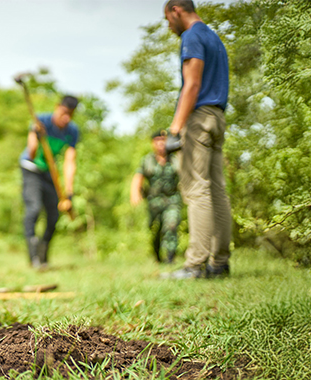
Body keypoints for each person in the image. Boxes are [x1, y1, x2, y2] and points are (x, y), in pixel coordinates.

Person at [161, 0, 232, 279]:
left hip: (199, 118)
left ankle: (194, 265)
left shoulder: (192, 36)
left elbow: (192, 83)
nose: (168, 25)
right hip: (217, 116)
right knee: (217, 190)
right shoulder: (213, 37)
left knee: (196, 189)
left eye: (167, 18)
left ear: (176, 10)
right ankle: (220, 263)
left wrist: (176, 129)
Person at [19, 95, 79, 269]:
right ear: (57, 107)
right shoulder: (41, 121)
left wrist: (68, 192)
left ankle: (43, 255)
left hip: (49, 174)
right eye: (64, 112)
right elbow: (31, 152)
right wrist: (36, 136)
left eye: (71, 114)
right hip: (31, 168)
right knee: (34, 208)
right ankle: (34, 258)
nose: (66, 118)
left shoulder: (72, 131)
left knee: (53, 216)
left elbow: (70, 161)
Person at [130, 130, 182, 264]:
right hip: (154, 202)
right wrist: (135, 193)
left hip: (172, 199)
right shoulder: (147, 160)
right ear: (153, 143)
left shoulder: (175, 159)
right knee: (155, 230)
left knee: (171, 225)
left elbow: (184, 176)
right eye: (157, 140)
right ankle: (157, 256)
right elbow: (138, 177)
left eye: (163, 140)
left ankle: (170, 258)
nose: (160, 143)